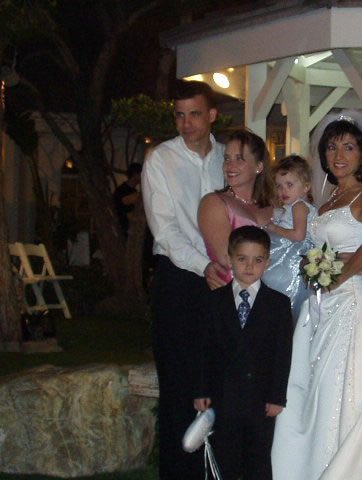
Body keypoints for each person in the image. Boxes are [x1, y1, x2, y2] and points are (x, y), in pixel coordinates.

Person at [272, 111, 362, 480]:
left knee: (347, 383)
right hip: (322, 302)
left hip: (350, 299)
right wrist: (318, 270)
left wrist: (338, 275)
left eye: (348, 147)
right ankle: (316, 464)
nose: (339, 155)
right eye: (332, 147)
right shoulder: (328, 198)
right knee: (318, 384)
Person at [141, 80, 226, 479]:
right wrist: (203, 265)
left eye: (194, 114)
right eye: (179, 115)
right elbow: (165, 229)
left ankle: (215, 470)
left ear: (212, 115)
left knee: (218, 381)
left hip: (224, 280)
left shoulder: (227, 157)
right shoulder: (161, 159)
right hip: (179, 281)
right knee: (179, 387)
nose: (186, 123)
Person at [194, 225, 293, 480]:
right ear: (229, 259)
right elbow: (205, 350)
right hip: (224, 395)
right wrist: (202, 390)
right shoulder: (214, 301)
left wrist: (277, 397)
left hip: (260, 398)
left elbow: (282, 354)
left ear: (267, 262)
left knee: (258, 460)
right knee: (225, 458)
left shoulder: (278, 304)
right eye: (242, 259)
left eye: (257, 260)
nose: (250, 266)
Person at [198, 129, 274, 286]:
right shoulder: (214, 203)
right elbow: (226, 258)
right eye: (227, 158)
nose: (230, 166)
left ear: (259, 166)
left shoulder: (274, 205)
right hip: (232, 293)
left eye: (239, 159)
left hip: (278, 291)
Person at [262, 155, 316, 322]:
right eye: (279, 186)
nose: (283, 191)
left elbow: (299, 235)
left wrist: (274, 228)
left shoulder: (299, 206)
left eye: (289, 185)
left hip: (292, 254)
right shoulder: (292, 206)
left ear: (306, 186)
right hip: (288, 249)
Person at [113, 162, 142, 237]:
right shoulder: (121, 191)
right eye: (141, 174)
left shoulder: (133, 191)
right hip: (125, 230)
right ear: (135, 174)